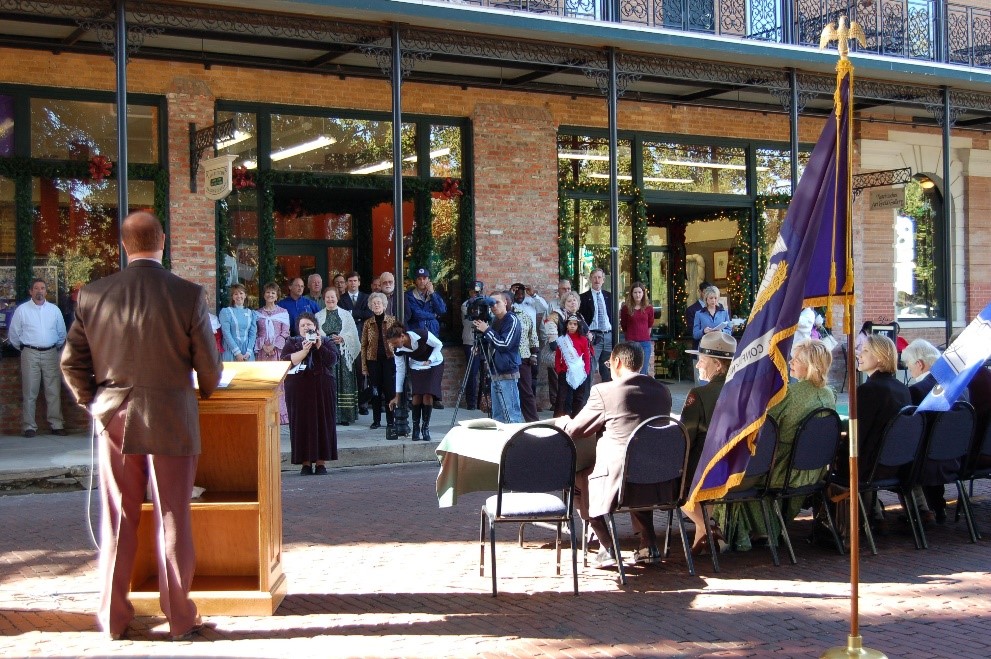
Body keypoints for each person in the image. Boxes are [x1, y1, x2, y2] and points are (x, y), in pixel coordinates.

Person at [60, 211, 222, 642]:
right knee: (173, 516)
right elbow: (208, 365)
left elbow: (71, 361)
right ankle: (180, 618)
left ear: (124, 245)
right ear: (164, 241)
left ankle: (113, 618)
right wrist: (207, 388)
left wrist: (94, 403)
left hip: (114, 413)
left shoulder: (93, 294)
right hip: (171, 413)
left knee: (118, 518)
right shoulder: (188, 293)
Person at [557, 342, 673, 568]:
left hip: (617, 476)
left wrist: (565, 423)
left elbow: (576, 431)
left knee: (580, 475)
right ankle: (649, 544)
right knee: (637, 468)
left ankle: (607, 545)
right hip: (658, 475)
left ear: (617, 362)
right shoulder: (662, 391)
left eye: (609, 363)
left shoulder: (604, 391)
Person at [716, 339, 836, 551]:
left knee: (735, 475)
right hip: (814, 471)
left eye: (795, 360)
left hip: (783, 471)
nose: (790, 362)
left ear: (809, 365)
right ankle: (764, 527)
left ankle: (742, 532)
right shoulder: (829, 394)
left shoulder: (789, 394)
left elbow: (763, 424)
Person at [680, 331, 737, 554]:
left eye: (701, 360)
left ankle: (710, 528)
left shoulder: (700, 394)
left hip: (707, 470)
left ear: (717, 365)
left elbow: (685, 437)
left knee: (667, 480)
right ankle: (702, 541)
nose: (697, 366)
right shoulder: (745, 391)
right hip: (738, 469)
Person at [904, 338, 969, 523]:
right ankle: (936, 506)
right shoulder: (961, 386)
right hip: (957, 459)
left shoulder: (918, 390)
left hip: (928, 462)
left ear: (920, 364)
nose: (909, 370)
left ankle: (919, 511)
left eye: (909, 365)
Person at [9, 277, 67, 437]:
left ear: (46, 291)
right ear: (31, 291)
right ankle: (29, 426)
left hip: (50, 353)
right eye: (36, 288)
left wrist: (54, 347)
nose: (39, 291)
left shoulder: (54, 310)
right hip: (30, 353)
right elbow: (14, 334)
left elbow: (62, 333)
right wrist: (24, 348)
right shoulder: (22, 310)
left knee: (53, 390)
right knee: (30, 391)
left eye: (42, 288)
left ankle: (56, 424)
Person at [282, 312, 338, 475]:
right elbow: (286, 360)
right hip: (299, 389)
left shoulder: (326, 341)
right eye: (303, 325)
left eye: (309, 325)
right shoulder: (292, 342)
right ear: (298, 329)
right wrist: (304, 351)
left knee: (323, 423)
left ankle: (321, 463)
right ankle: (305, 463)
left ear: (316, 327)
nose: (306, 327)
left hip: (322, 388)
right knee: (301, 424)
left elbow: (332, 360)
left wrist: (319, 346)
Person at [386, 324, 444, 441]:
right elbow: (400, 370)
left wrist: (430, 359)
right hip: (417, 365)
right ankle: (416, 428)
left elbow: (439, 344)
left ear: (402, 336)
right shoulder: (399, 350)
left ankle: (425, 427)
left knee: (428, 393)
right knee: (417, 395)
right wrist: (398, 395)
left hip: (434, 363)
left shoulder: (421, 335)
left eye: (395, 342)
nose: (393, 346)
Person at [472, 291, 523, 424]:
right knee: (498, 417)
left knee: (511, 416)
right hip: (495, 373)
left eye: (497, 302)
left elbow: (504, 344)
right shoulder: (495, 321)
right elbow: (492, 344)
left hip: (507, 374)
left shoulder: (511, 319)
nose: (494, 306)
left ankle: (516, 443)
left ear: (506, 302)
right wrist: (479, 345)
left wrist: (486, 330)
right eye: (491, 303)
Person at [316, 287, 361, 426]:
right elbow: (315, 334)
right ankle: (329, 415)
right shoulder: (318, 316)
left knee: (343, 384)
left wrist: (342, 338)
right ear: (324, 299)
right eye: (327, 297)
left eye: (332, 297)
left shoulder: (346, 315)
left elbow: (353, 335)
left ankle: (345, 416)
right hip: (326, 354)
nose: (330, 299)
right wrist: (325, 340)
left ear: (337, 298)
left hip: (342, 355)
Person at [405, 267, 448, 409]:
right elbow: (415, 314)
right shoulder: (409, 295)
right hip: (418, 335)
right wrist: (433, 315)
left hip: (433, 335)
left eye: (425, 278)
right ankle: (415, 395)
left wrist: (433, 294)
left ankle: (435, 396)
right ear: (415, 280)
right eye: (419, 278)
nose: (422, 281)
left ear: (429, 280)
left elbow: (442, 310)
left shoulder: (434, 295)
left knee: (434, 365)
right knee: (416, 366)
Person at [361, 292, 400, 439]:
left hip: (389, 360)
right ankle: (376, 420)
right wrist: (364, 367)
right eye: (374, 303)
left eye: (379, 302)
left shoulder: (392, 321)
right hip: (373, 361)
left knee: (390, 391)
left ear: (385, 305)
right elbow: (363, 345)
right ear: (370, 306)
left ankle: (391, 420)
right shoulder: (367, 323)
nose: (377, 305)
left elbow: (398, 341)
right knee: (375, 391)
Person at [254, 281, 290, 424]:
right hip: (262, 353)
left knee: (278, 383)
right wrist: (263, 346)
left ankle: (280, 415)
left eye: (273, 293)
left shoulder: (283, 313)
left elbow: (285, 332)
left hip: (277, 353)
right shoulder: (257, 313)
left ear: (277, 296)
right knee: (263, 381)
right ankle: (264, 412)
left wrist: (274, 346)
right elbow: (255, 332)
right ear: (264, 295)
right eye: (268, 292)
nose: (270, 295)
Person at [338, 271, 372, 415]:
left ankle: (363, 404)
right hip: (348, 340)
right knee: (349, 372)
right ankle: (351, 404)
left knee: (362, 372)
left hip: (363, 338)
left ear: (359, 282)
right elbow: (341, 315)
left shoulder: (366, 297)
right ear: (347, 283)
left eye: (355, 281)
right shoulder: (342, 299)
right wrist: (358, 315)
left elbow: (369, 314)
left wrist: (352, 313)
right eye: (350, 281)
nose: (352, 283)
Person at [579, 268, 614, 383]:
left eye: (599, 277)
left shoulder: (610, 296)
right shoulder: (583, 298)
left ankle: (607, 398)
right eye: (594, 277)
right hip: (593, 337)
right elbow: (580, 319)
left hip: (608, 336)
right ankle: (586, 399)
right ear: (590, 279)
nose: (597, 280)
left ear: (603, 280)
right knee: (590, 369)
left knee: (609, 371)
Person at [555, 314, 593, 418]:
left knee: (578, 397)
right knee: (562, 397)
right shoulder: (562, 340)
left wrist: (586, 370)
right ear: (566, 325)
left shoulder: (583, 340)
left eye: (575, 324)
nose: (572, 326)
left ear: (578, 326)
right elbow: (558, 356)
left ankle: (576, 419)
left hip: (580, 372)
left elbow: (586, 356)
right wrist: (559, 369)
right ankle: (558, 419)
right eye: (570, 324)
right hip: (564, 371)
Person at [513, 295, 540, 421]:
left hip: (523, 356)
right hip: (504, 358)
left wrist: (534, 353)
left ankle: (533, 421)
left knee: (526, 391)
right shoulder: (496, 317)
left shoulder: (523, 315)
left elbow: (533, 335)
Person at [460, 280, 485, 410]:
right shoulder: (466, 304)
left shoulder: (486, 304)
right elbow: (475, 318)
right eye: (473, 292)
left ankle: (483, 402)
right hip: (471, 340)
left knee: (485, 373)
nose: (475, 294)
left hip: (485, 340)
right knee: (472, 373)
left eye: (478, 292)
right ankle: (471, 403)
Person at [620, 281, 654, 376]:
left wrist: (644, 336)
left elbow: (650, 325)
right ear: (631, 294)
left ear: (643, 293)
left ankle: (642, 390)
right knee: (631, 369)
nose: (637, 295)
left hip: (645, 344)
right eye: (635, 292)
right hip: (631, 343)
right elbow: (624, 325)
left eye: (639, 292)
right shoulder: (626, 308)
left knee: (643, 370)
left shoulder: (649, 308)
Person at [219, 283, 256, 362]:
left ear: (245, 295)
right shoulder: (226, 312)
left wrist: (249, 352)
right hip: (231, 350)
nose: (239, 296)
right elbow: (226, 333)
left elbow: (253, 334)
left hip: (247, 351)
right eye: (236, 294)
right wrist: (237, 353)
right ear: (232, 297)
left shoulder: (251, 313)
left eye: (241, 293)